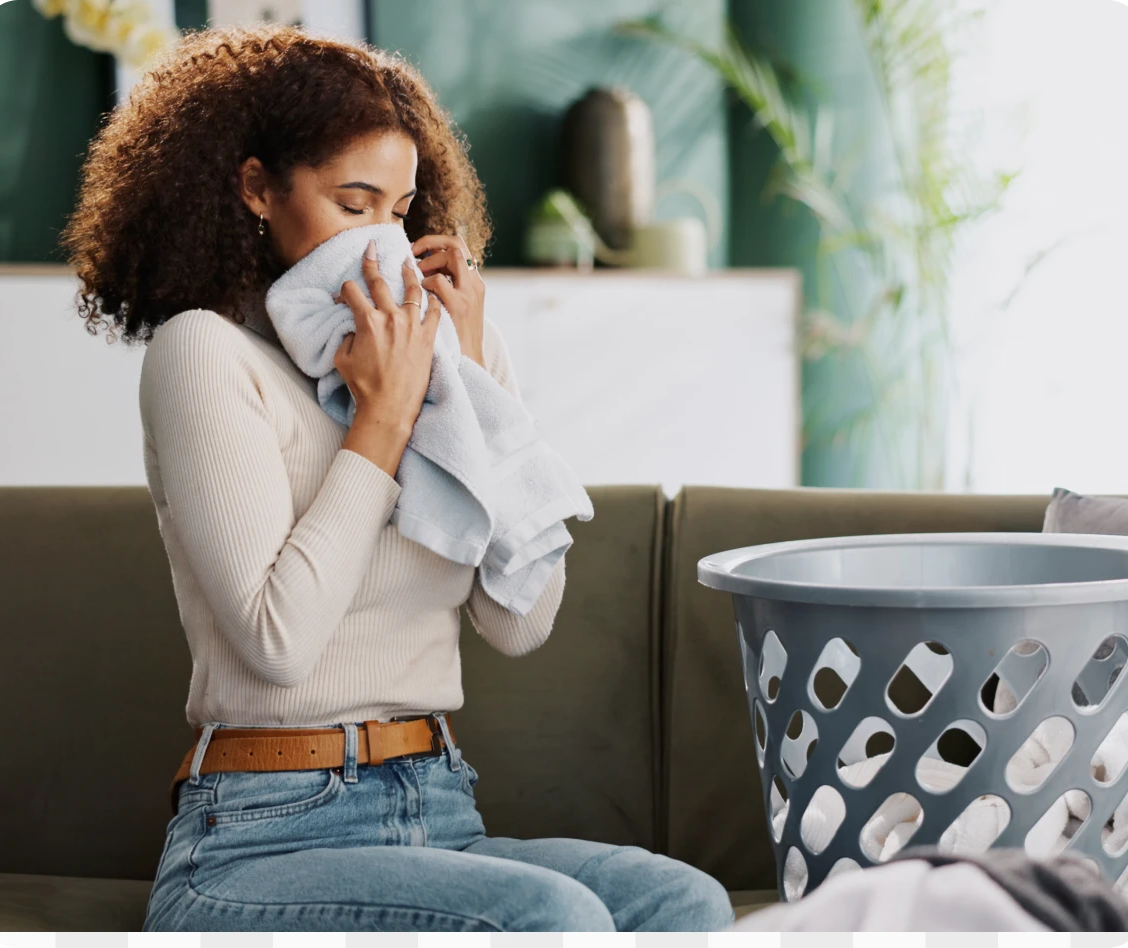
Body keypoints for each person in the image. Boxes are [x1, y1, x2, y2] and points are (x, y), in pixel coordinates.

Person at [60, 23, 735, 933]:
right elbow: (275, 643)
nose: (380, 239)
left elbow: (519, 621)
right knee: (554, 920)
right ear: (258, 189)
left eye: (399, 211)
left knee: (682, 900)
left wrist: (476, 380)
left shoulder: (443, 364)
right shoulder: (206, 356)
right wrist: (377, 426)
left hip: (437, 805)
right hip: (257, 837)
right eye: (352, 203)